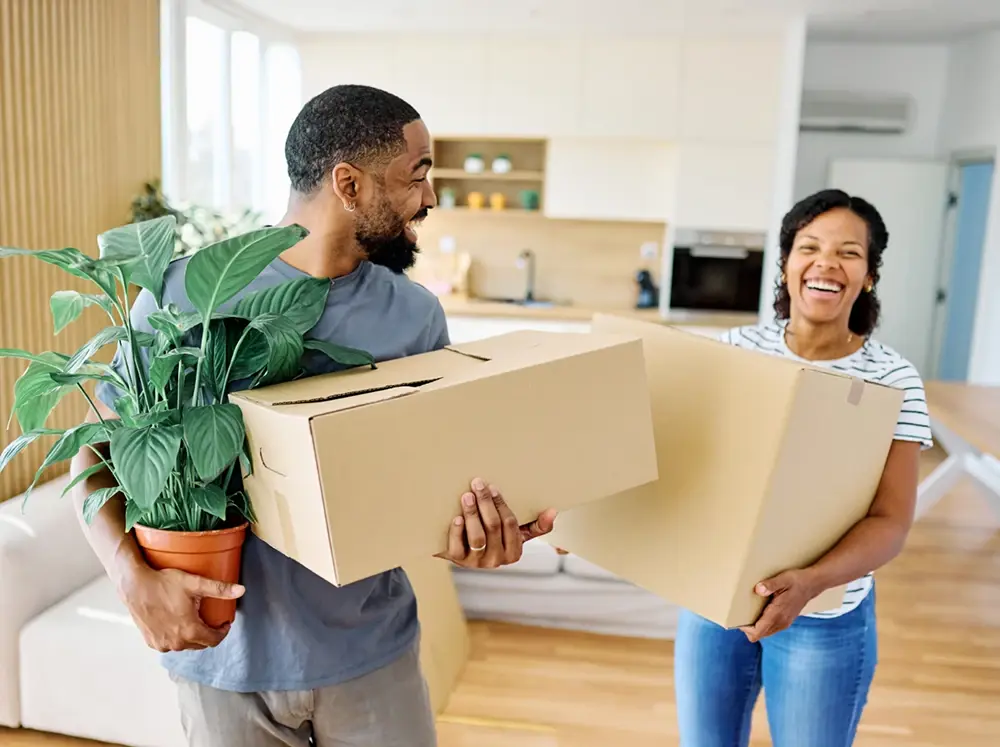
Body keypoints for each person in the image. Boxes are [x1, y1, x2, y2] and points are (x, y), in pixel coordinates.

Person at [69, 84, 558, 747]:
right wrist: (131, 579)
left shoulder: (414, 317)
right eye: (417, 174)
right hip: (222, 663)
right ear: (348, 184)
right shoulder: (187, 291)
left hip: (371, 657)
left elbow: (428, 497)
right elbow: (94, 453)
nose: (432, 197)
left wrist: (476, 536)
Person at [673, 189, 933, 747]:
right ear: (787, 263)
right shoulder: (736, 351)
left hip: (823, 617)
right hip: (714, 603)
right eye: (809, 246)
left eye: (848, 253)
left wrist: (811, 581)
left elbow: (891, 522)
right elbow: (693, 466)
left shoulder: (894, 380)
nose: (826, 263)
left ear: (868, 276)